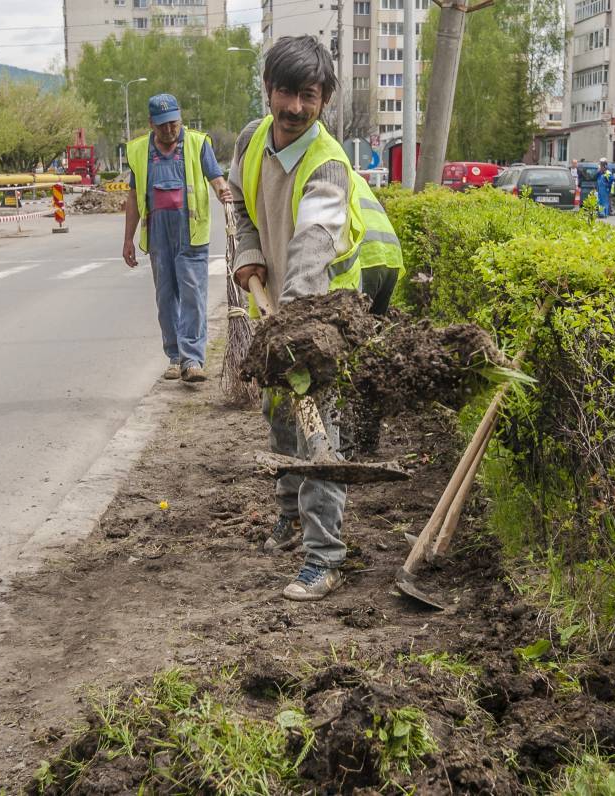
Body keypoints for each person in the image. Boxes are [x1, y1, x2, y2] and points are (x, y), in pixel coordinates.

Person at [229, 35, 403, 602]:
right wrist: (248, 253)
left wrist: (295, 333)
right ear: (268, 89)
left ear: (325, 99)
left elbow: (312, 247)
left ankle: (324, 557)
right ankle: (288, 515)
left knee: (316, 429)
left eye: (309, 95)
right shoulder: (251, 139)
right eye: (286, 92)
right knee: (278, 410)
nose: (296, 107)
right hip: (278, 300)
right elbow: (241, 204)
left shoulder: (328, 164)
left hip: (324, 308)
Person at [123, 93, 232, 383]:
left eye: (173, 123)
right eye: (162, 125)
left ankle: (192, 359)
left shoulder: (198, 143)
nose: (169, 130)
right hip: (158, 235)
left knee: (193, 295)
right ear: (151, 123)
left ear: (180, 119)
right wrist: (128, 239)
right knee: (166, 298)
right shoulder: (139, 151)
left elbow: (215, 177)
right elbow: (133, 197)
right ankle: (175, 357)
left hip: (190, 232)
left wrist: (223, 192)